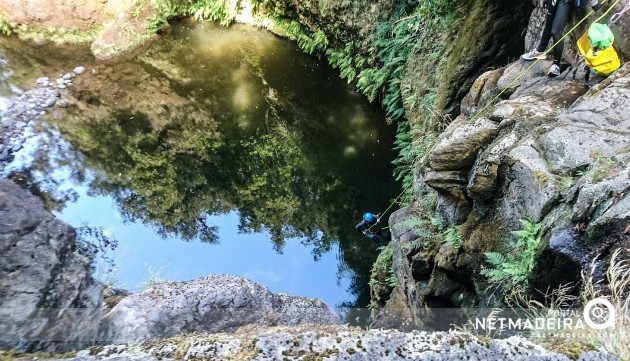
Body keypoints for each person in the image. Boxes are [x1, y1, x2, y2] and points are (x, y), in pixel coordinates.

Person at [521, 0, 602, 77]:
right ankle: (540, 50)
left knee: (555, 32)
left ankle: (556, 64)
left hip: (566, 2)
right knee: (548, 25)